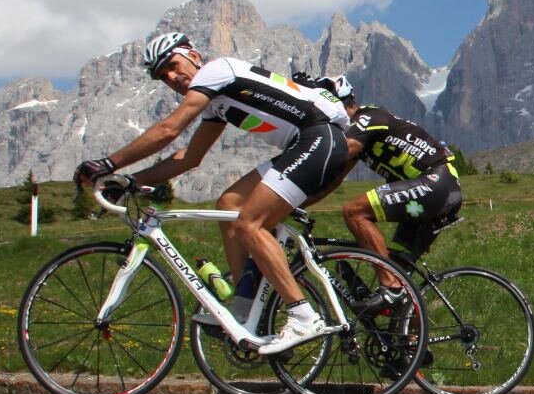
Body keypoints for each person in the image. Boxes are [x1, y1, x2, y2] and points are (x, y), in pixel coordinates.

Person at [73, 31, 355, 355]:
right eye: (163, 76)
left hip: (318, 140)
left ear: (193, 55)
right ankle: (245, 311)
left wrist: (108, 164)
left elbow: (169, 129)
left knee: (249, 223)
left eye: (173, 66)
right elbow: (189, 158)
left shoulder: (216, 71)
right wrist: (131, 181)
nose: (171, 77)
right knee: (229, 204)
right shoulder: (216, 102)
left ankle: (303, 316)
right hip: (307, 144)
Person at [327, 85, 464, 298]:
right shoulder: (359, 135)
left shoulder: (368, 118)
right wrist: (294, 203)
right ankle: (403, 314)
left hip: (436, 182)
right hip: (440, 189)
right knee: (399, 273)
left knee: (354, 212)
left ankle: (390, 287)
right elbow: (333, 178)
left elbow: (336, 155)